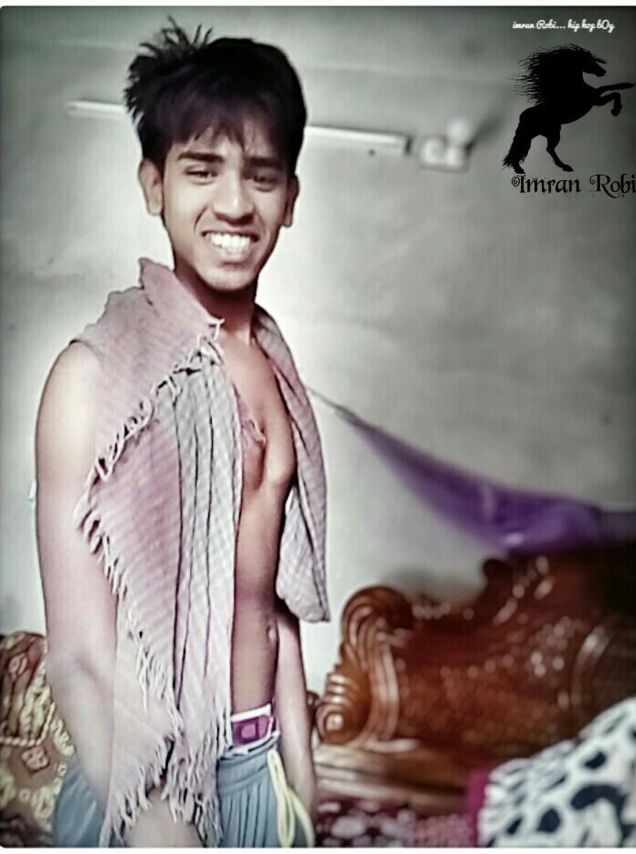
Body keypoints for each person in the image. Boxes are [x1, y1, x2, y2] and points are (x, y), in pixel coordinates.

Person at [36, 20, 329, 847]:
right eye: (202, 169)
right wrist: (162, 831)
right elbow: (78, 659)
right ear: (153, 184)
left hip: (259, 772)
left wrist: (301, 788)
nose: (234, 204)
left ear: (290, 198)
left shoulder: (275, 366)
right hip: (146, 790)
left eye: (261, 176)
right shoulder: (93, 379)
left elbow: (270, 602)